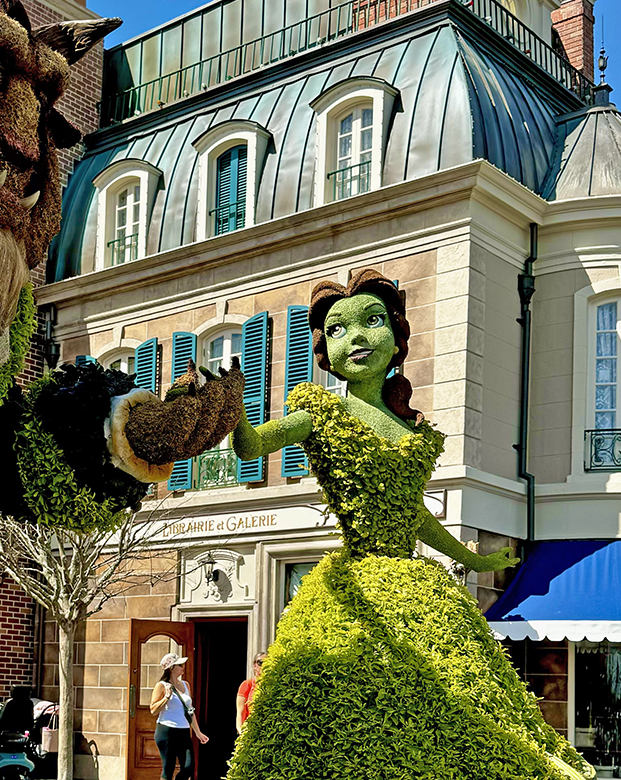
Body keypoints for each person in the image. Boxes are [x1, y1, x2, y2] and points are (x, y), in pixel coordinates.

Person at [227, 270, 590, 780]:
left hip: (414, 586)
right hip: (352, 589)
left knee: (462, 697)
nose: (354, 338)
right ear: (323, 350)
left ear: (397, 340)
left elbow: (414, 514)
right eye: (336, 329)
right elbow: (249, 446)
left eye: (370, 322)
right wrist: (231, 405)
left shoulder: (410, 431)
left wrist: (475, 558)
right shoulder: (318, 414)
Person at [148, 653, 208, 780]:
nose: (183, 667)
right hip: (166, 731)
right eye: (180, 665)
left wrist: (198, 732)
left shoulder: (186, 685)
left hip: (184, 731)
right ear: (171, 668)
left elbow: (189, 710)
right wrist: (166, 698)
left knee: (188, 767)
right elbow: (153, 710)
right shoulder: (162, 685)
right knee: (168, 769)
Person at [235, 652, 266, 734]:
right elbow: (240, 713)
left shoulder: (272, 685)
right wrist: (241, 732)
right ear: (255, 666)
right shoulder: (246, 685)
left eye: (267, 662)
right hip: (250, 730)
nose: (263, 665)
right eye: (260, 662)